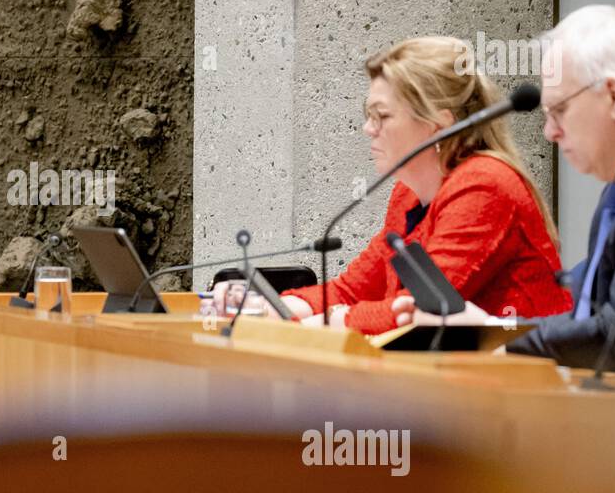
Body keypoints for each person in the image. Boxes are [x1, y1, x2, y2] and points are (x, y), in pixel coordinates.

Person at [394, 6, 615, 380]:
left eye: (558, 109)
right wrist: (496, 329)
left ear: (614, 95)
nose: (550, 132)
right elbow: (590, 318)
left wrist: (495, 341)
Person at [215, 36, 571, 334]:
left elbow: (420, 313)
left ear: (438, 124)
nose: (368, 129)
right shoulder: (407, 193)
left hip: (528, 389)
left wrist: (328, 320)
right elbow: (354, 289)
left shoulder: (485, 186)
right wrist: (271, 307)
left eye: (382, 116)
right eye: (368, 115)